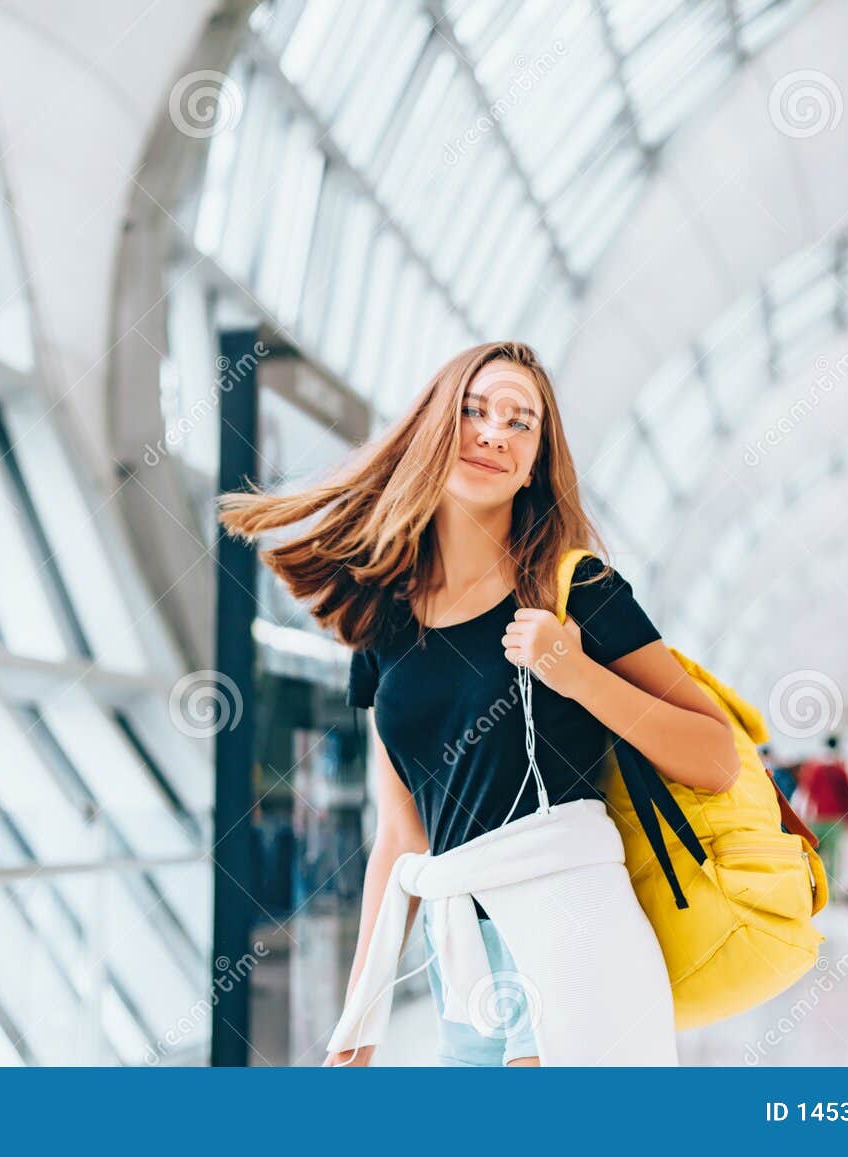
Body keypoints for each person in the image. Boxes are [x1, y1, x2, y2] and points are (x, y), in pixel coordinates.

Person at [218, 341, 741, 1067]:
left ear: (535, 463)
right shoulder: (384, 619)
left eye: (519, 421)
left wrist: (575, 670)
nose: (493, 432)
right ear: (435, 425)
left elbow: (717, 757)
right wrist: (360, 1019)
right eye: (473, 410)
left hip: (574, 937)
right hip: (459, 959)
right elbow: (402, 833)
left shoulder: (575, 592)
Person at [797, 736, 848, 892]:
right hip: (834, 819)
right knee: (832, 857)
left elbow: (806, 794)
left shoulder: (813, 767)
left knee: (812, 855)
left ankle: (810, 887)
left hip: (815, 818)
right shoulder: (840, 769)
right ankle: (828, 891)